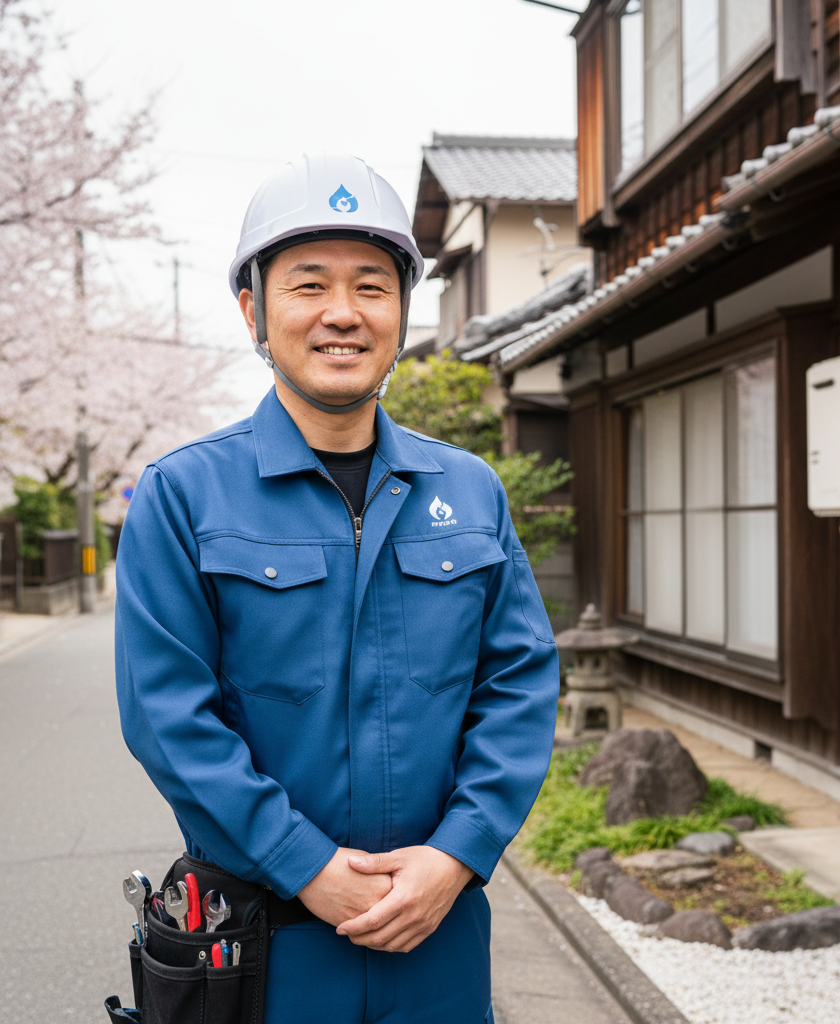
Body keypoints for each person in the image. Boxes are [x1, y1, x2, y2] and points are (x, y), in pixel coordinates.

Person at [115, 152, 561, 1024]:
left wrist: (459, 853)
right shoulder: (183, 494)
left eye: (372, 286)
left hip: (438, 933)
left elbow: (520, 684)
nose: (343, 313)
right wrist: (305, 865)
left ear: (401, 311)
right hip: (260, 945)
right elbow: (168, 718)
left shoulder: (469, 490)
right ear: (253, 310)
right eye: (308, 284)